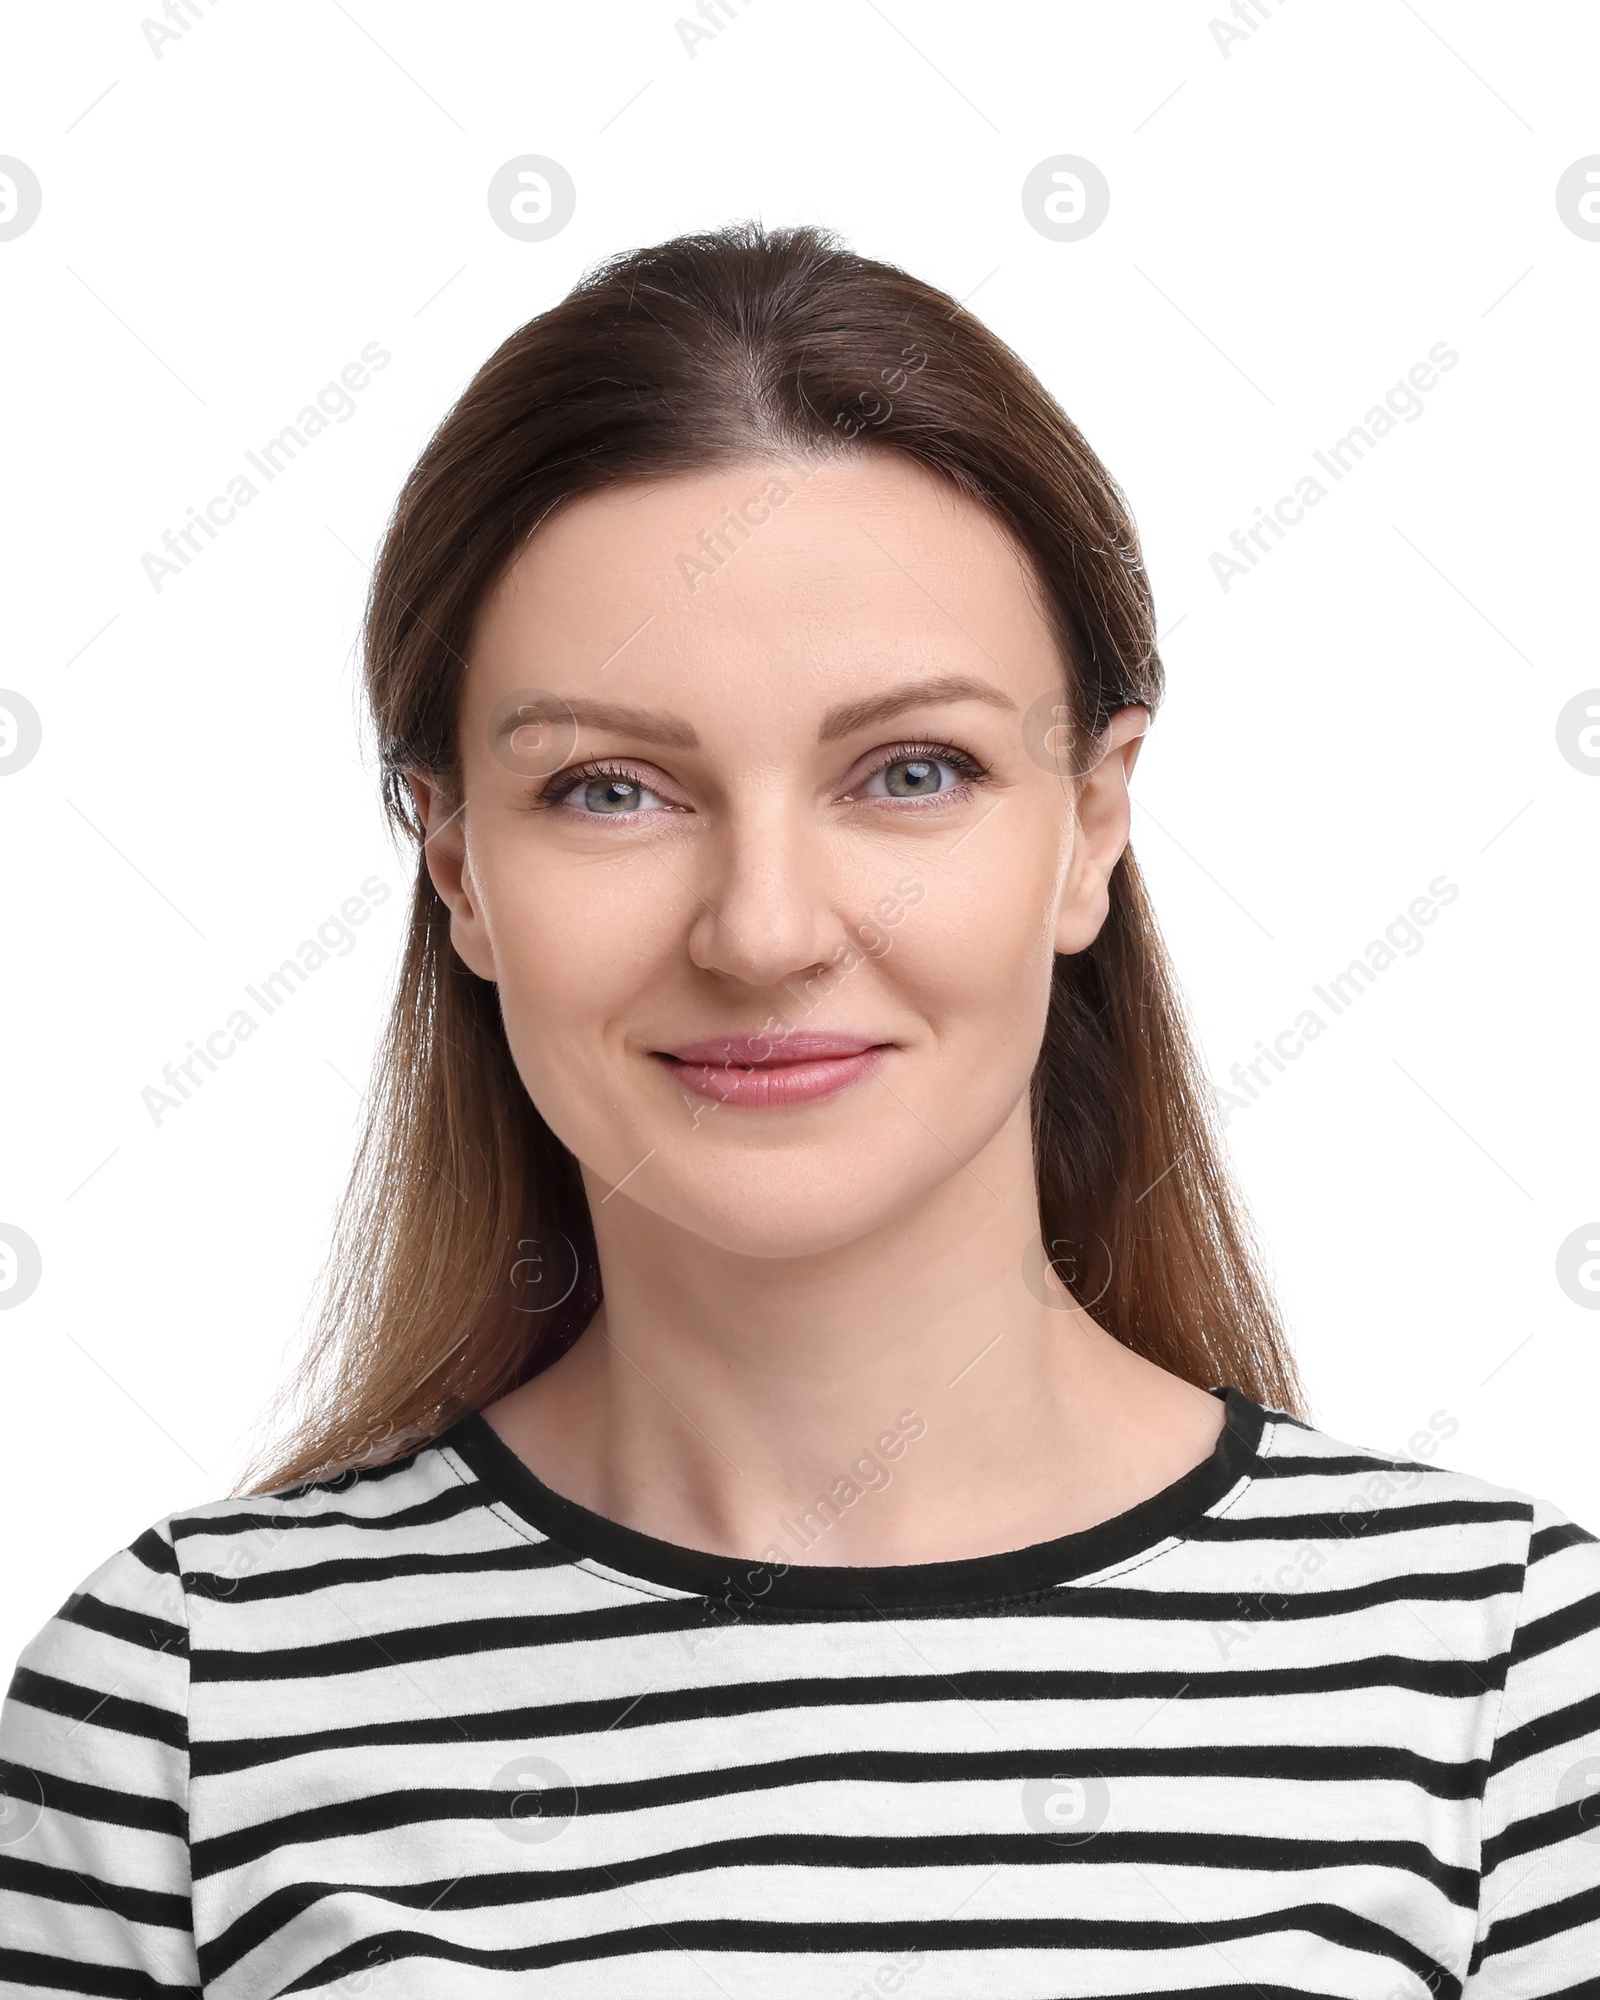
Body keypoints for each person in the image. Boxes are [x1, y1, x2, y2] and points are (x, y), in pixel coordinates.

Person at [3, 221, 1597, 1999]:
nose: (765, 930)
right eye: (611, 789)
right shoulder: (185, 1712)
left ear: (1090, 823)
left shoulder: (1502, 1685)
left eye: (912, 772)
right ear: (453, 861)